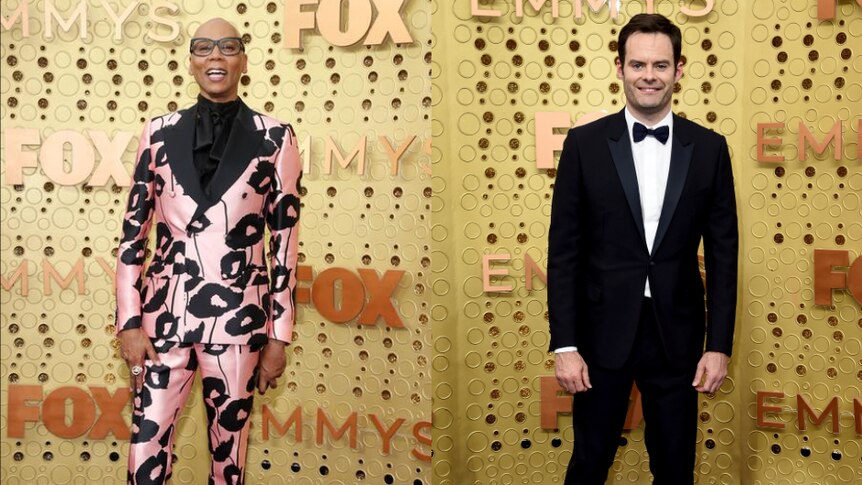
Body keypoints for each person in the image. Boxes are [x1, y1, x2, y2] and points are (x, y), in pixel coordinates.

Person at [547, 13, 738, 485]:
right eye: (637, 65)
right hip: (600, 337)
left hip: (677, 340)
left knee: (675, 471)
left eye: (660, 64)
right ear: (620, 68)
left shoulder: (710, 149)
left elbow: (724, 256)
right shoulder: (583, 145)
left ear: (679, 70)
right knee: (589, 465)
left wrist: (718, 347)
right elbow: (564, 252)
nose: (648, 75)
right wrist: (565, 345)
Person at [115, 17, 301, 485]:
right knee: (145, 450)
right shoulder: (158, 132)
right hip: (163, 321)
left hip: (239, 320)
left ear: (243, 60)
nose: (215, 56)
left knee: (230, 457)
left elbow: (285, 242)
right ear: (191, 61)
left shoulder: (277, 137)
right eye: (204, 47)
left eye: (227, 47)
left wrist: (279, 335)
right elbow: (133, 233)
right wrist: (129, 320)